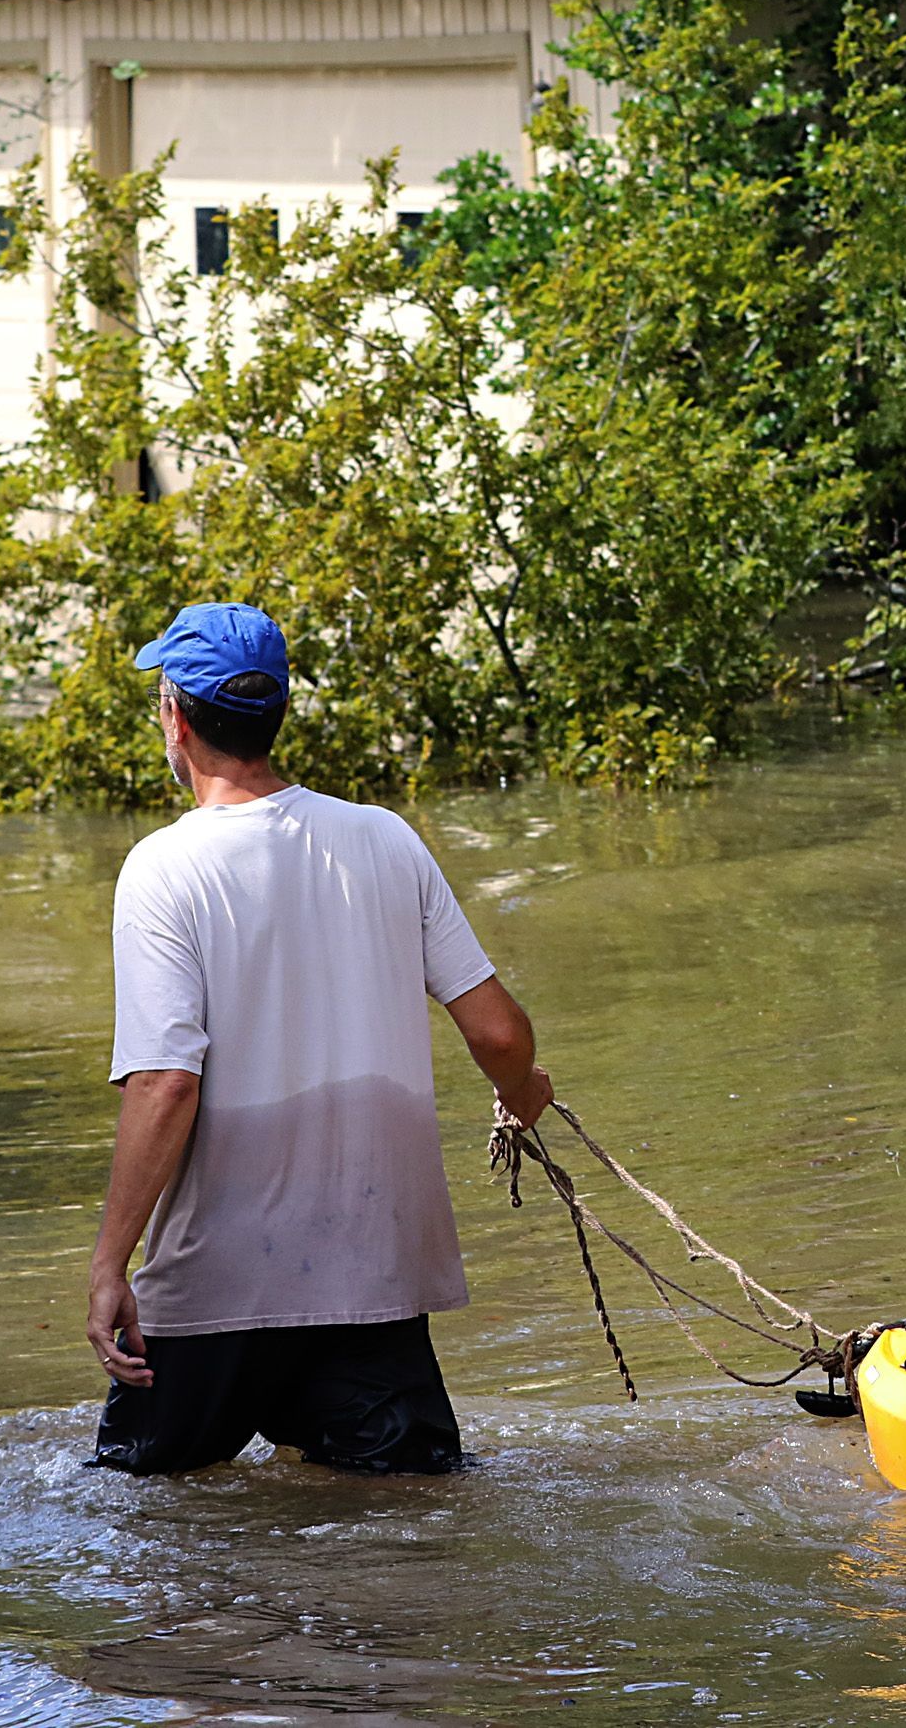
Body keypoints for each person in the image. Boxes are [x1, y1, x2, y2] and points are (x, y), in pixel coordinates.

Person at [84, 601, 553, 1475]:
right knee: (405, 1543)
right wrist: (523, 1093)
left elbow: (166, 1085)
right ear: (278, 712)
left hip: (214, 1290)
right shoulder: (385, 838)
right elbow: (495, 1030)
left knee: (147, 1531)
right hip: (370, 1280)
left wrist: (111, 1264)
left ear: (174, 718)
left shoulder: (164, 869)